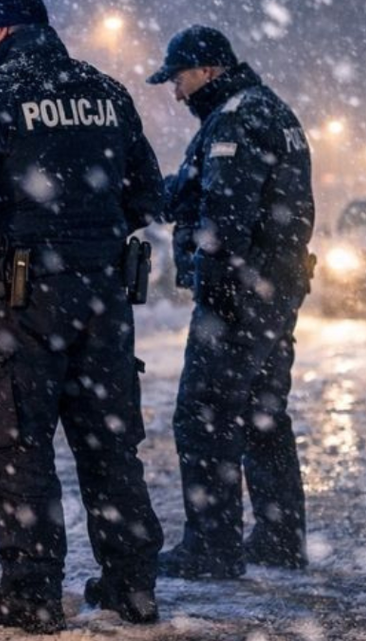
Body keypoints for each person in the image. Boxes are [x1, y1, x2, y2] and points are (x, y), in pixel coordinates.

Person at [0, 0, 166, 630]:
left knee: (15, 445)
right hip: (104, 297)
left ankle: (31, 591)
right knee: (110, 445)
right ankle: (132, 585)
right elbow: (148, 194)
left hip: (21, 300)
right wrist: (86, 237)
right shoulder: (107, 93)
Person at [147, 25, 316, 579]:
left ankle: (211, 547)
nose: (176, 93)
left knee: (204, 415)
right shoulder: (270, 110)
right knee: (263, 414)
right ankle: (279, 538)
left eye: (178, 79)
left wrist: (217, 285)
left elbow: (225, 210)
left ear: (207, 70)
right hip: (275, 289)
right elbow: (198, 189)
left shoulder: (235, 120)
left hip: (241, 296)